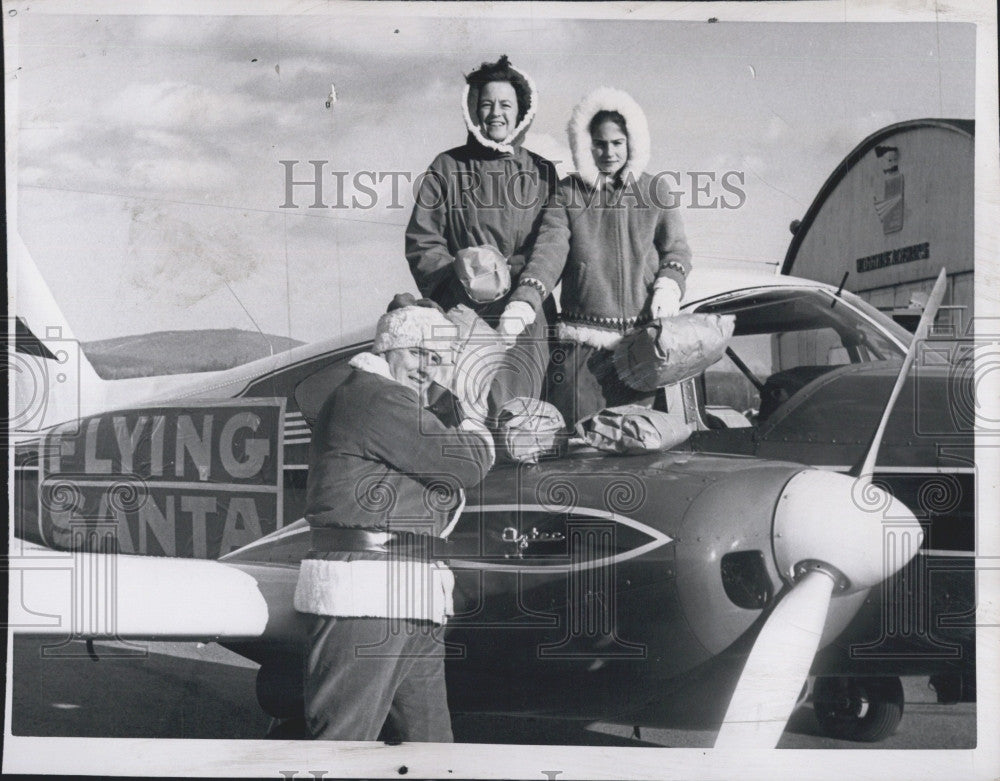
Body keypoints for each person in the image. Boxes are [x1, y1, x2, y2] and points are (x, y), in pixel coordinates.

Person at [293, 295, 496, 742]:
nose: (428, 368)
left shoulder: (395, 403)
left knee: (430, 749)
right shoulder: (374, 396)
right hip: (369, 596)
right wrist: (477, 424)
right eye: (418, 353)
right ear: (387, 348)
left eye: (438, 359)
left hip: (407, 597)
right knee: (341, 745)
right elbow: (461, 465)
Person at [499, 87, 693, 424]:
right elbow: (549, 252)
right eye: (600, 143)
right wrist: (525, 300)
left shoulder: (656, 191)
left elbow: (677, 249)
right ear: (585, 143)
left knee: (637, 443)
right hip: (582, 353)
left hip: (641, 350)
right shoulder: (568, 194)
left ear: (632, 142)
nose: (608, 152)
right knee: (582, 445)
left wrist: (668, 286)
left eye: (617, 143)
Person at [405, 55, 557, 419]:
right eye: (486, 104)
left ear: (522, 111)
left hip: (524, 315)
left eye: (505, 104)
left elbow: (553, 244)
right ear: (473, 109)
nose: (495, 114)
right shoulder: (447, 166)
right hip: (463, 310)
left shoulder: (541, 172)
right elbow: (422, 240)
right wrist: (460, 278)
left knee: (519, 417)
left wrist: (523, 293)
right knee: (464, 411)